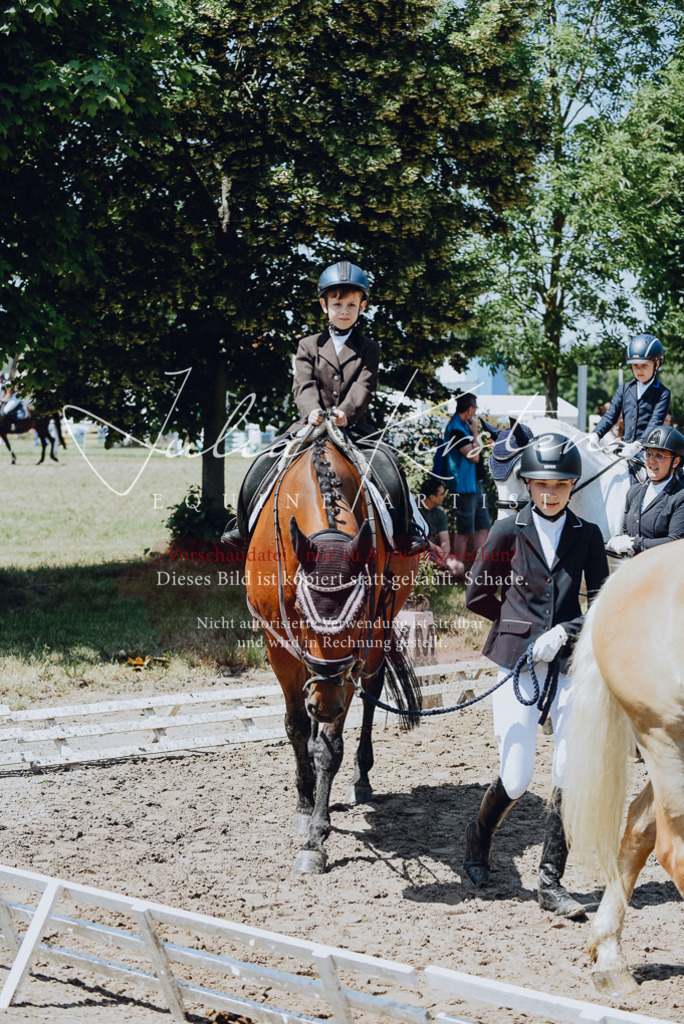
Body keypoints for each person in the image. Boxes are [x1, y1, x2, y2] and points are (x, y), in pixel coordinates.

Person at [463, 434, 609, 917]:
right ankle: (477, 840)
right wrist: (521, 633)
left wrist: (566, 631)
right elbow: (477, 595)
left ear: (572, 486)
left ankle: (551, 882)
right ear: (527, 484)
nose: (549, 494)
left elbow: (601, 603)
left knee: (568, 771)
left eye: (560, 486)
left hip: (568, 667)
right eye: (541, 485)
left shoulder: (587, 534)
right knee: (518, 776)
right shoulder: (508, 529)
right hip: (518, 664)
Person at [223, 261, 425, 551]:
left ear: (362, 307)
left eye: (351, 305)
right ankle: (243, 528)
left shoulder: (369, 347)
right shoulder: (308, 345)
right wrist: (312, 411)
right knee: (264, 460)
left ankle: (406, 531)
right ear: (324, 305)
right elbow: (302, 384)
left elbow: (365, 385)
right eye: (338, 304)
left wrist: (346, 411)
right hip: (312, 424)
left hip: (353, 428)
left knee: (389, 464)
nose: (344, 311)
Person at [588, 335, 671, 477]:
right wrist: (596, 434)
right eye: (635, 365)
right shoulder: (625, 388)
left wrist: (638, 444)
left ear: (656, 364)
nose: (639, 370)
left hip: (647, 451)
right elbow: (610, 415)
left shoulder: (662, 393)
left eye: (644, 365)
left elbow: (655, 422)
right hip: (623, 446)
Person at [606, 425, 684, 557]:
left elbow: (676, 541)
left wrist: (635, 543)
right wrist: (620, 539)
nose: (651, 461)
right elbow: (626, 530)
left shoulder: (680, 497)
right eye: (648, 454)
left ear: (675, 462)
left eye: (660, 455)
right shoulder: (634, 491)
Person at [443, 393, 490, 565]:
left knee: (483, 527)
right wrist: (476, 433)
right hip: (464, 487)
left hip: (475, 485)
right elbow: (474, 457)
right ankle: (458, 572)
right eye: (475, 408)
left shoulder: (462, 426)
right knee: (464, 531)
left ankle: (480, 567)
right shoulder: (456, 428)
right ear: (470, 409)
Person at [419, 477, 464, 577]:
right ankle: (434, 574)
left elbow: (445, 540)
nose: (445, 496)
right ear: (431, 497)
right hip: (419, 551)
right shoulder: (414, 511)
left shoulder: (440, 512)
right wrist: (436, 549)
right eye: (442, 494)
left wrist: (443, 557)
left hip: (435, 553)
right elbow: (417, 538)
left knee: (459, 567)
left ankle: (437, 573)